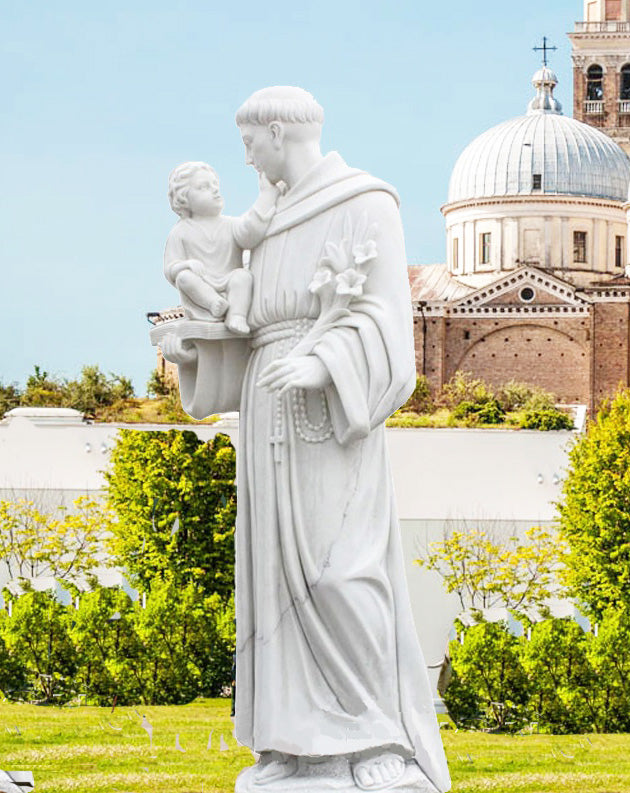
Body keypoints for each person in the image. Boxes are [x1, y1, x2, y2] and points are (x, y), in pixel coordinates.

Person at [164, 87, 451, 793]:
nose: (245, 159)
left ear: (278, 131)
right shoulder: (265, 222)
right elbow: (247, 325)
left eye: (248, 143)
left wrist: (325, 361)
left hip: (331, 410)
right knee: (273, 586)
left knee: (340, 572)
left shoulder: (364, 202)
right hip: (267, 410)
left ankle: (376, 736)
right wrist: (193, 347)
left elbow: (389, 324)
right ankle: (295, 746)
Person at [164, 161, 278, 334]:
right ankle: (213, 303)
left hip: (228, 280)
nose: (215, 190)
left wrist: (266, 198)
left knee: (243, 276)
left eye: (215, 185)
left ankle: (236, 315)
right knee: (184, 278)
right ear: (184, 199)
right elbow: (170, 269)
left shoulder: (231, 225)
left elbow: (250, 234)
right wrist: (186, 265)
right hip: (202, 285)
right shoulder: (180, 231)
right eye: (204, 187)